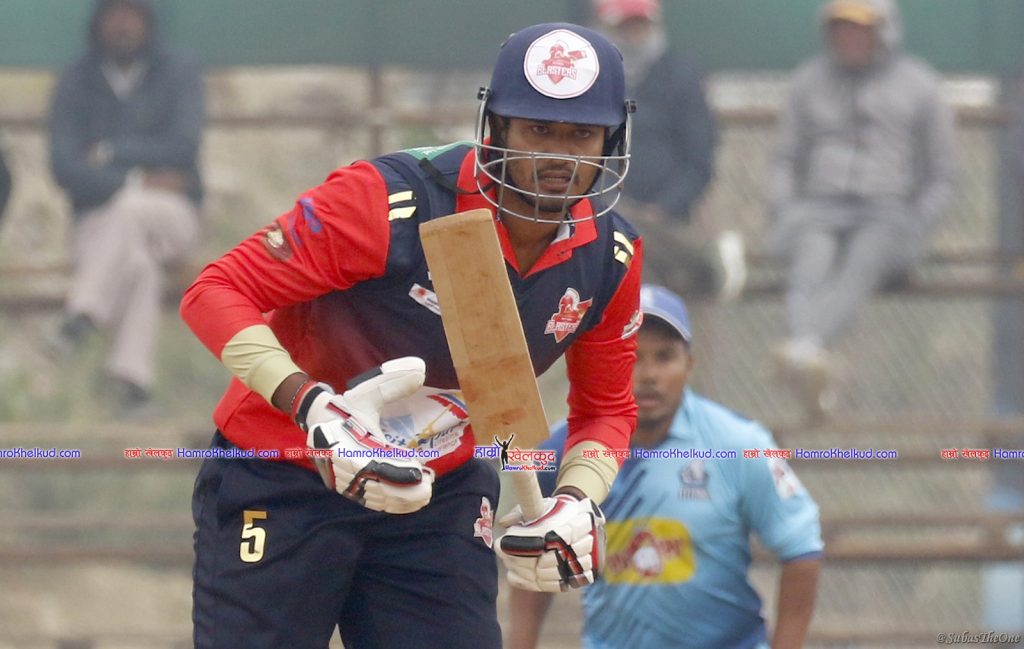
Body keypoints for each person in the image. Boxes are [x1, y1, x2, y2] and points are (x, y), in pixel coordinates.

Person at [180, 22, 643, 649]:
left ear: (611, 140)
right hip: (286, 471)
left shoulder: (611, 255)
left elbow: (607, 409)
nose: (561, 157)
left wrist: (575, 501)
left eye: (581, 135)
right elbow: (214, 291)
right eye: (539, 130)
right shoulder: (388, 200)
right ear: (496, 127)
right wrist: (312, 406)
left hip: (439, 493)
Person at [508, 284, 823, 649]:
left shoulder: (739, 445)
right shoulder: (566, 450)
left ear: (689, 364)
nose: (649, 375)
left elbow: (801, 547)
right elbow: (535, 553)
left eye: (665, 356)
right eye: (632, 356)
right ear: (606, 363)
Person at [766, 0, 958, 418]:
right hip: (818, 207)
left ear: (884, 33)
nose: (848, 38)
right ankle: (809, 356)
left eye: (859, 29)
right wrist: (785, 209)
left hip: (889, 214)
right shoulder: (808, 81)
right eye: (840, 28)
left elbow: (942, 174)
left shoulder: (920, 85)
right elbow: (784, 159)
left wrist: (918, 224)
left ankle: (803, 348)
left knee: (865, 256)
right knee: (811, 255)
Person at [47, 0, 204, 414]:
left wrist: (108, 152)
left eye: (131, 13)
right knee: (138, 262)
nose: (122, 24)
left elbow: (183, 148)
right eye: (114, 14)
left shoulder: (178, 71)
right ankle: (132, 386)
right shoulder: (75, 80)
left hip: (172, 215)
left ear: (148, 20)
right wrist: (136, 178)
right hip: (96, 224)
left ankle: (83, 314)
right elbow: (64, 166)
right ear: (98, 21)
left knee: (131, 209)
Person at [592, 0, 745, 300]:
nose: (633, 34)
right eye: (624, 26)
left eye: (640, 25)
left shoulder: (682, 74)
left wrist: (665, 206)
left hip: (667, 215)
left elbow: (699, 158)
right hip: (603, 205)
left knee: (632, 243)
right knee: (620, 231)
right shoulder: (593, 78)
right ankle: (704, 265)